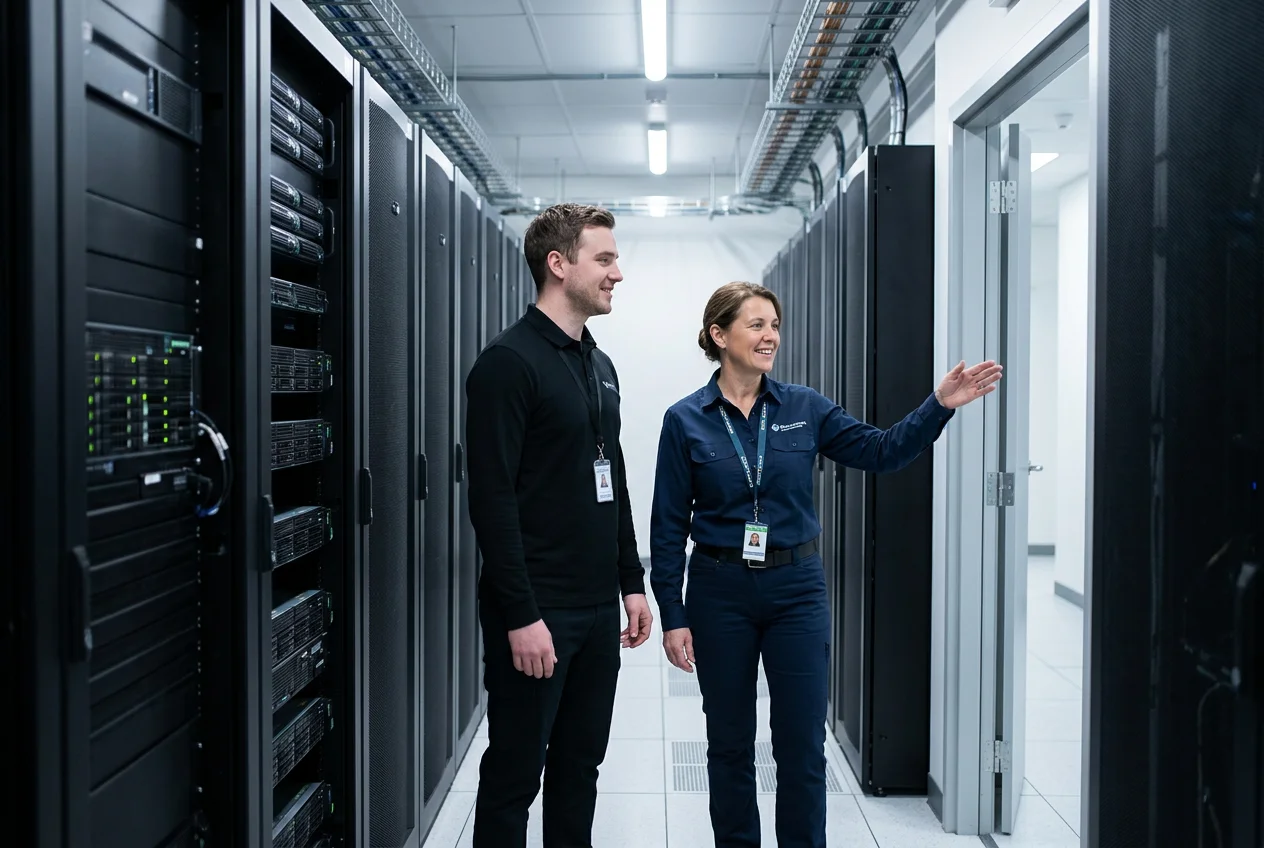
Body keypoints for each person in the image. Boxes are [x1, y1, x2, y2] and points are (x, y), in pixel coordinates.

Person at [649, 281, 1000, 847]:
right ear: (719, 335)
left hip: (796, 591)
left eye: (774, 325)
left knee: (801, 745)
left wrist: (938, 407)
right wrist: (673, 613)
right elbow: (667, 527)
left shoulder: (805, 407)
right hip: (719, 591)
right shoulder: (685, 420)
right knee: (730, 744)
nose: (771, 337)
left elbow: (881, 451)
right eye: (756, 325)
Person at [464, 203, 654, 848]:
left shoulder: (598, 366)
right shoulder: (507, 364)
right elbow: (491, 501)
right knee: (516, 774)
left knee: (580, 768)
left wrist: (632, 582)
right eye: (604, 259)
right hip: (538, 609)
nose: (617, 274)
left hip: (599, 609)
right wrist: (520, 614)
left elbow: (614, 480)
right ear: (558, 264)